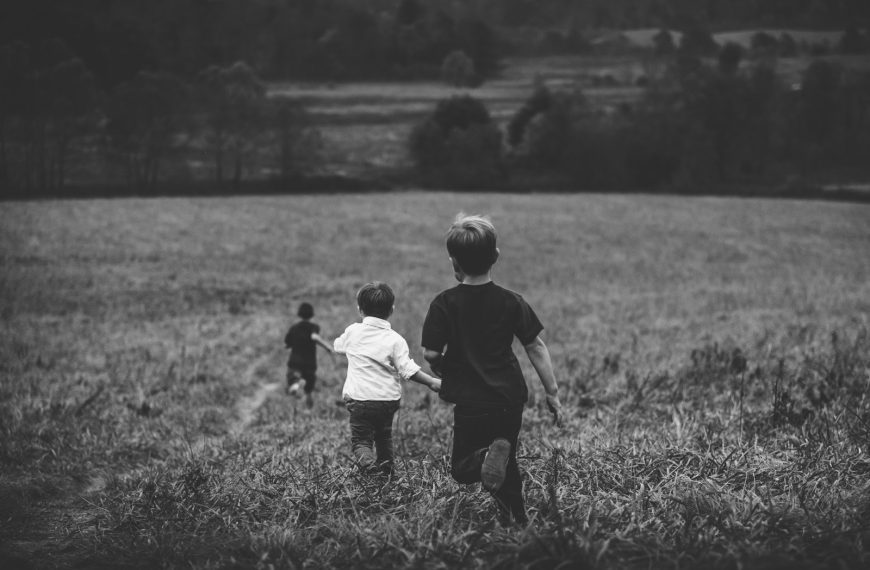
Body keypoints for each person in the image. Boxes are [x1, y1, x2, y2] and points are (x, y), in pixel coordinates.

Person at [422, 213, 564, 525]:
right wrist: (552, 392)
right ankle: (516, 521)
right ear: (495, 257)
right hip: (509, 398)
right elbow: (535, 346)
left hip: (471, 400)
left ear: (453, 261)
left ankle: (487, 458)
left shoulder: (444, 303)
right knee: (504, 461)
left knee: (463, 467)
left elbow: (431, 352)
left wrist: (440, 366)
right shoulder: (512, 301)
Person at [334, 282, 441, 475]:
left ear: (359, 309)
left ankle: (369, 467)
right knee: (384, 437)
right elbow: (407, 369)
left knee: (361, 441)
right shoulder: (395, 340)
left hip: (360, 399)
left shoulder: (352, 332)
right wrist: (432, 381)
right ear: (392, 309)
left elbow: (339, 346)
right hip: (387, 401)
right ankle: (387, 473)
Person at [284, 302, 334, 408]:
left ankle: (296, 384)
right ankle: (309, 405)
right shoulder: (313, 326)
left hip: (295, 361)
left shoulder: (294, 328)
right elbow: (314, 337)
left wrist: (290, 345)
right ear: (311, 314)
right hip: (309, 363)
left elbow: (287, 342)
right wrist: (327, 347)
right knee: (309, 387)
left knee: (292, 378)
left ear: (299, 313)